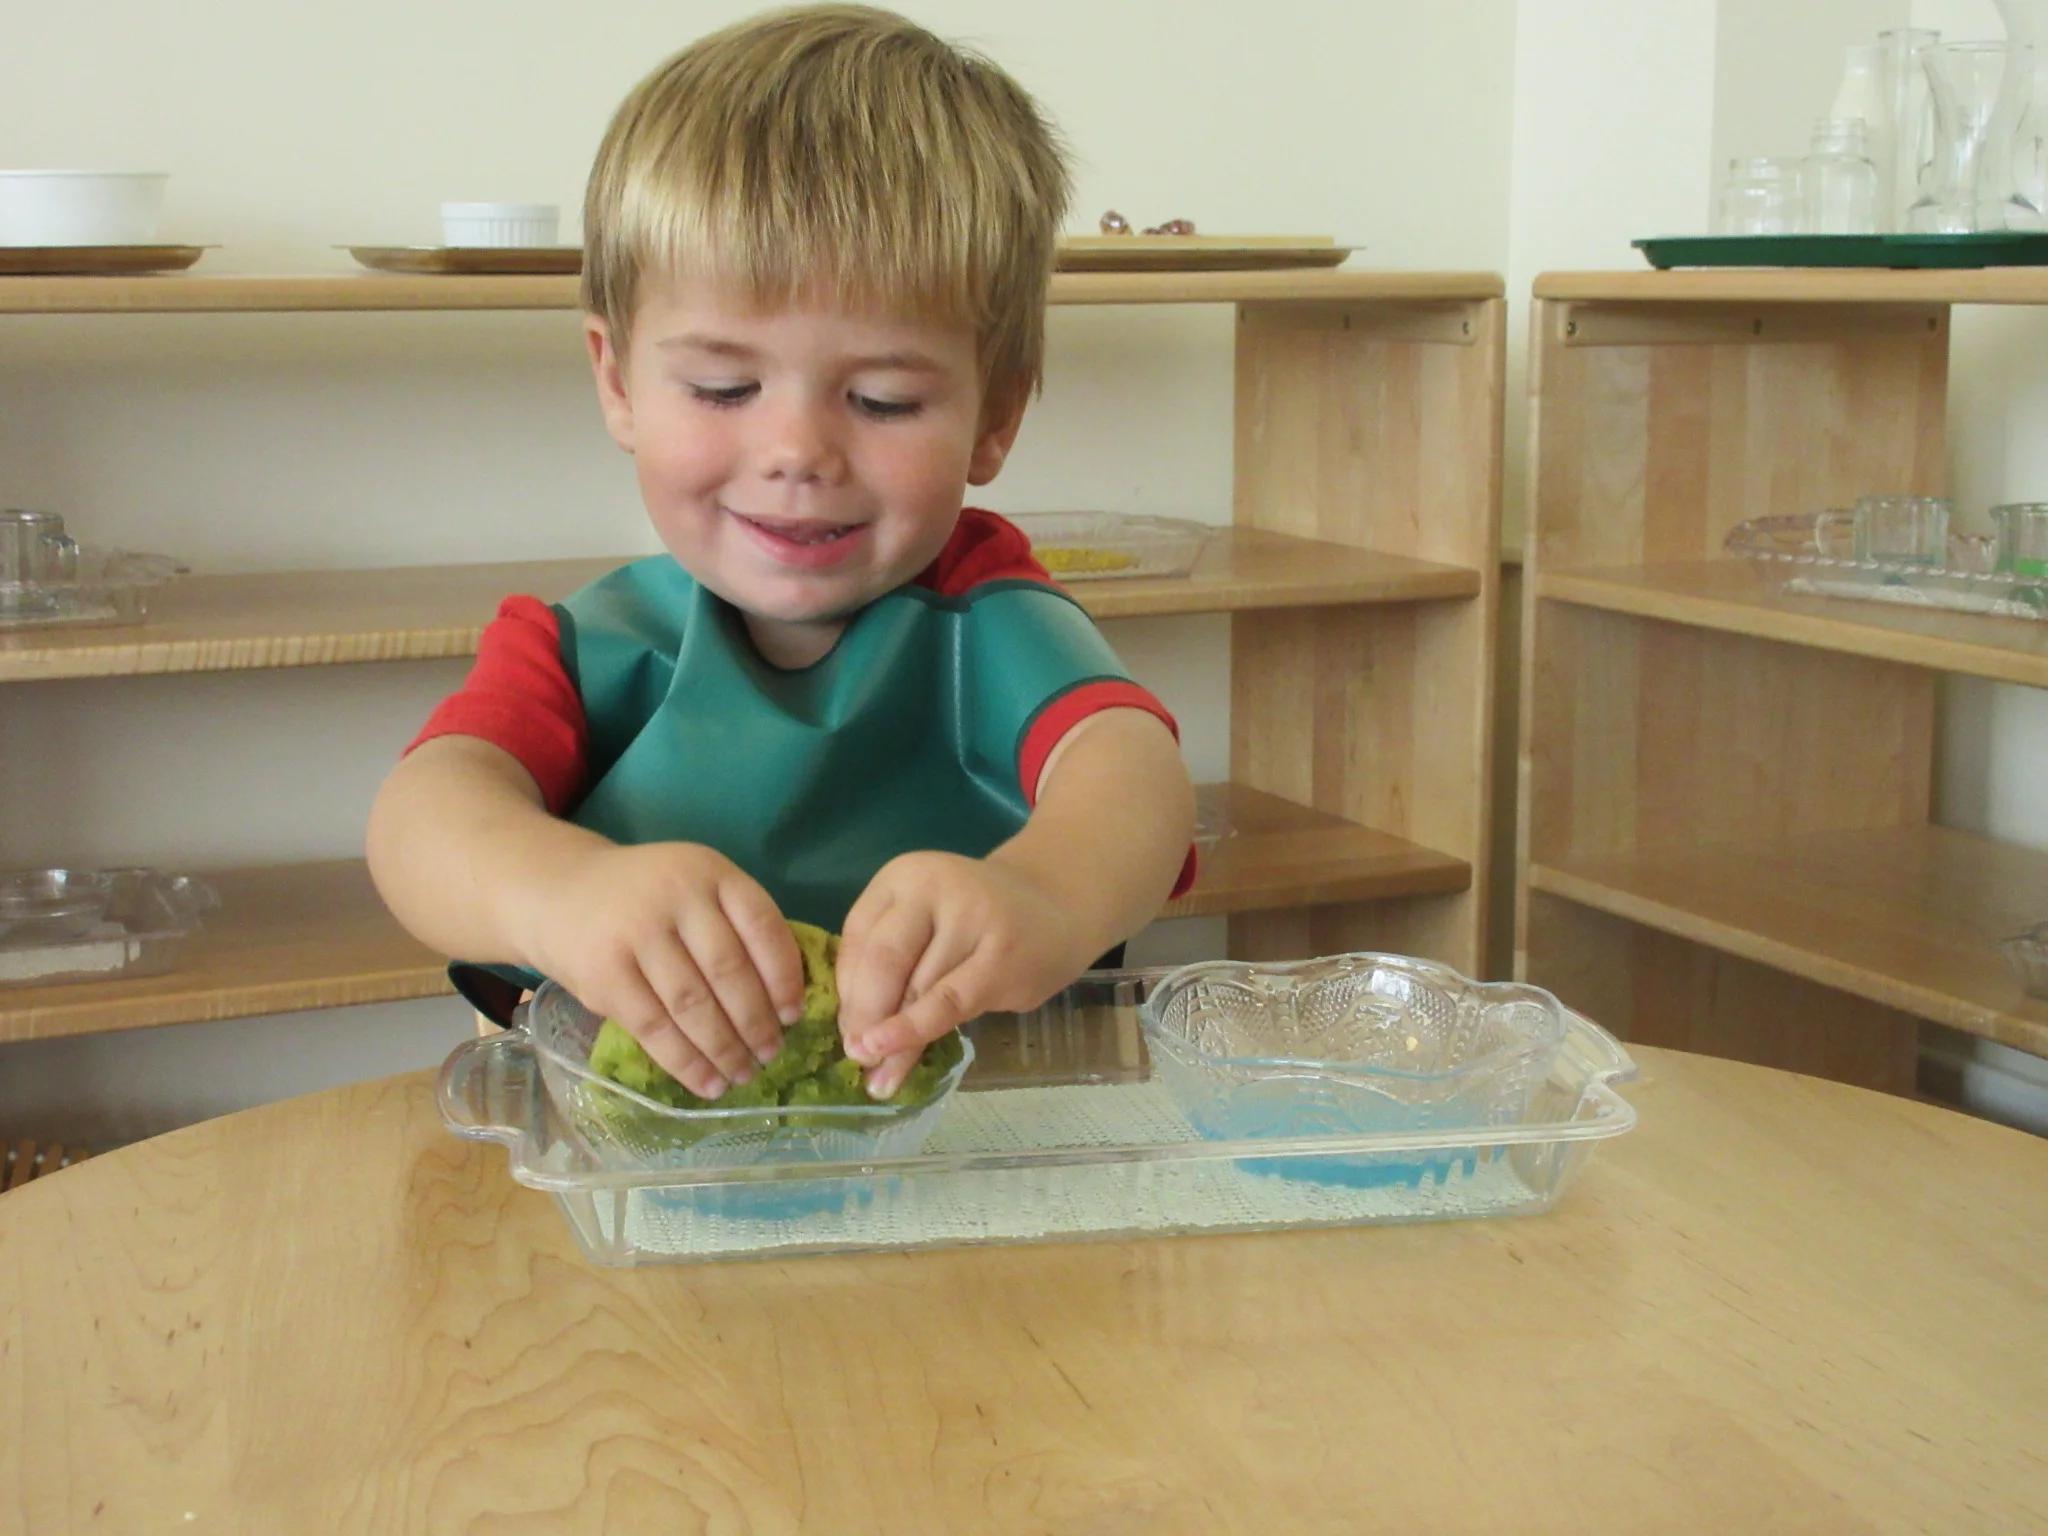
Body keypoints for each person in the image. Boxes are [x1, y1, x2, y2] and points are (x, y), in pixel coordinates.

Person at [366, 4, 1196, 1103]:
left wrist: (1044, 897)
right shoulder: (590, 648)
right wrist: (558, 894)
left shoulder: (991, 623)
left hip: (963, 1145)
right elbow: (422, 819)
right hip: (638, 1149)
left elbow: (1131, 785)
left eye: (881, 399)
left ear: (994, 415)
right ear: (617, 381)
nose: (797, 451)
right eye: (721, 388)